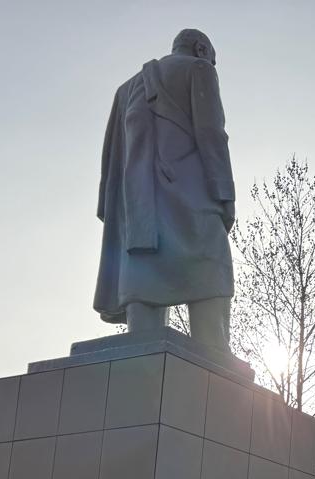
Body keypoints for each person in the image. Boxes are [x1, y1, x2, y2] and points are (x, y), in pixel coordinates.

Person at [95, 29, 236, 348]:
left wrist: (121, 216)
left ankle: (142, 347)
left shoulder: (125, 89)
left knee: (144, 295)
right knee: (211, 273)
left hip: (138, 208)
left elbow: (111, 164)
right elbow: (211, 134)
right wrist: (225, 195)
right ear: (202, 49)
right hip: (191, 197)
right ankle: (214, 351)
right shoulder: (199, 70)